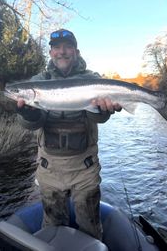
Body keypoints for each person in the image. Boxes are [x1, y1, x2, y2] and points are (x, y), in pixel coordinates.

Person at [17, 29, 122, 241]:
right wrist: (28, 113)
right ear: (50, 52)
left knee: (90, 228)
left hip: (85, 168)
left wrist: (103, 110)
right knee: (51, 227)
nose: (62, 52)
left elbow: (99, 119)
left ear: (76, 51)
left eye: (67, 47)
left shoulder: (92, 79)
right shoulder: (39, 81)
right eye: (56, 47)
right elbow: (30, 125)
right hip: (49, 168)